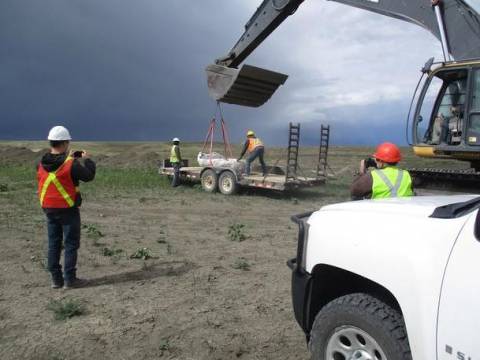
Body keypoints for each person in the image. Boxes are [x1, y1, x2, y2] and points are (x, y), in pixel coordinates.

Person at [37, 126, 96, 289]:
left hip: (49, 209)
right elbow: (89, 176)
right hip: (68, 210)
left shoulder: (40, 163)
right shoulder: (70, 164)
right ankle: (70, 279)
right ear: (64, 143)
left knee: (54, 243)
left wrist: (69, 159)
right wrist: (88, 160)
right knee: (70, 244)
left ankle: (56, 280)